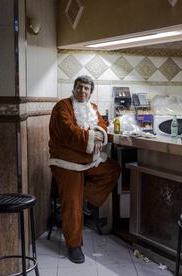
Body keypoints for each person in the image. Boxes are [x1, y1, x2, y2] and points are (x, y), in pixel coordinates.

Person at [48, 75, 120, 263]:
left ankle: (82, 202)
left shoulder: (93, 108)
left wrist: (99, 134)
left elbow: (102, 125)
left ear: (90, 92)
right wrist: (92, 137)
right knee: (72, 202)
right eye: (80, 87)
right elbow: (69, 131)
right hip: (66, 161)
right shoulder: (62, 107)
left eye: (87, 89)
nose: (83, 91)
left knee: (112, 170)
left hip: (88, 161)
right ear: (74, 89)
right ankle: (74, 245)